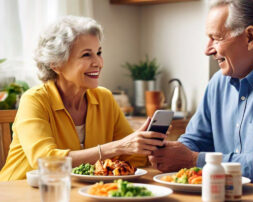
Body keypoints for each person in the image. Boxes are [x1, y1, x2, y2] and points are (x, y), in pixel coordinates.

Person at [149, 0, 253, 192]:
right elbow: (195, 139)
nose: (207, 49)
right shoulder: (218, 82)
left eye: (216, 38)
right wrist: (171, 152)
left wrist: (193, 160)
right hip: (234, 194)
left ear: (250, 37)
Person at [0, 16, 166, 181]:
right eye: (87, 55)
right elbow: (44, 161)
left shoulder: (104, 98)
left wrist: (150, 146)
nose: (98, 62)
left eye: (98, 53)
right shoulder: (34, 100)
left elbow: (132, 157)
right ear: (56, 64)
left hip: (77, 192)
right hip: (20, 192)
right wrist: (117, 147)